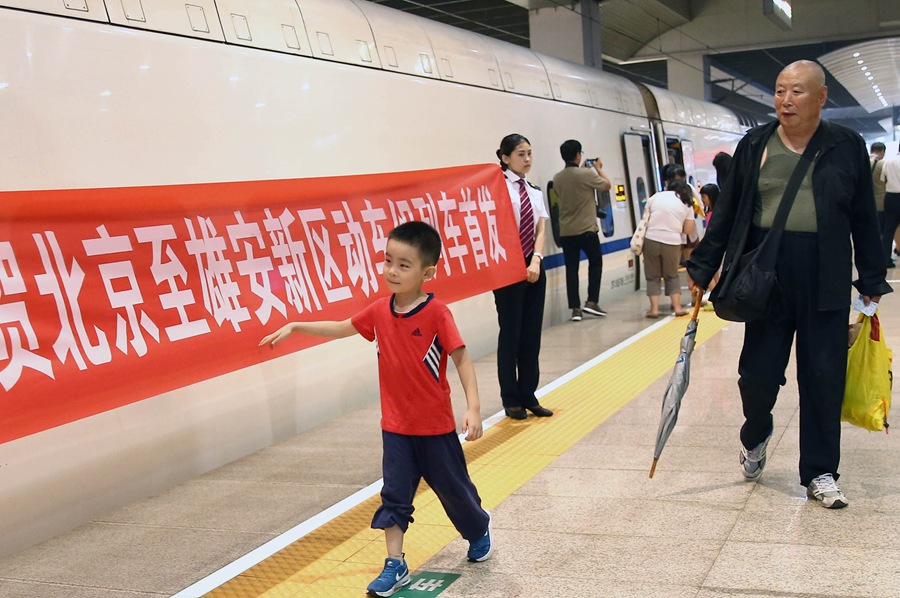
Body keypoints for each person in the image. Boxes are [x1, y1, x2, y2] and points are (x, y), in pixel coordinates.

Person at [686, 60, 891, 509]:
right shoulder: (756, 143)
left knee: (822, 377)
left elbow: (862, 216)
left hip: (827, 275)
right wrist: (703, 266)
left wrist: (872, 277)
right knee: (757, 375)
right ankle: (755, 433)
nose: (786, 100)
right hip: (767, 274)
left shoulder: (846, 146)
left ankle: (820, 471)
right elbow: (729, 210)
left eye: (797, 91)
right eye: (780, 91)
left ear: (821, 98)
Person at [259, 221, 493, 597]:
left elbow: (461, 359)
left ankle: (478, 527)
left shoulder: (438, 314)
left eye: (403, 264)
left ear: (427, 272)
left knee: (454, 492)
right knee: (395, 495)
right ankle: (395, 564)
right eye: (387, 261)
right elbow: (340, 328)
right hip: (396, 428)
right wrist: (295, 325)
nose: (391, 271)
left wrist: (474, 408)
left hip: (435, 428)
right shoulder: (379, 311)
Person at [493, 133, 554, 420]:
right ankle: (511, 398)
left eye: (529, 153)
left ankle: (529, 393)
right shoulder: (495, 189)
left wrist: (536, 260)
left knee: (531, 334)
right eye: (520, 154)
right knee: (511, 335)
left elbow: (541, 228)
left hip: (534, 269)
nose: (527, 159)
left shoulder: (534, 191)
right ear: (505, 158)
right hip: (507, 272)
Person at [552, 139, 611, 321]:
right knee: (596, 264)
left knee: (572, 269)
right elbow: (606, 185)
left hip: (567, 232)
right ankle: (591, 302)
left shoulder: (557, 178)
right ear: (578, 155)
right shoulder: (587, 175)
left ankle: (575, 309)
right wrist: (597, 168)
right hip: (587, 230)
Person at [641, 180, 696, 318]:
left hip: (651, 239)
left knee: (652, 276)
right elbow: (689, 230)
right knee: (671, 275)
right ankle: (677, 307)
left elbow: (645, 219)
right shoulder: (686, 203)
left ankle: (654, 309)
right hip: (672, 242)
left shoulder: (655, 197)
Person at [879, 149, 900, 268]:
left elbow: (883, 180)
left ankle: (886, 259)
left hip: (891, 197)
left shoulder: (889, 161)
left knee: (888, 231)